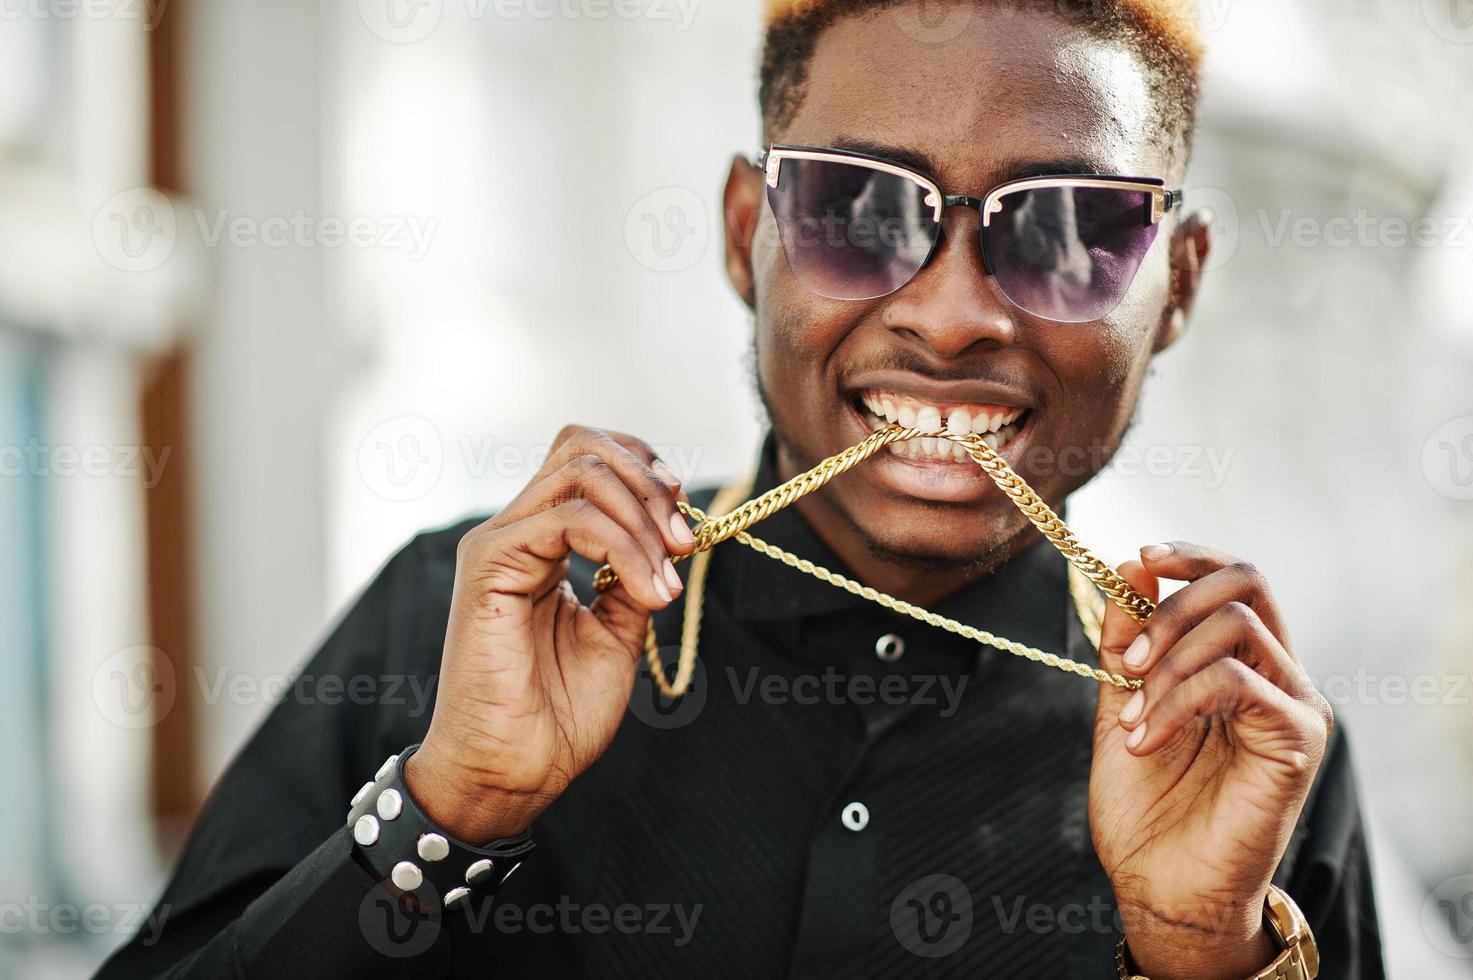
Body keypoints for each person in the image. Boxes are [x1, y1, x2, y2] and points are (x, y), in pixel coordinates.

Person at [100, 0, 1383, 976]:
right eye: (855, 207)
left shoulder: (1245, 747)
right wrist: (448, 809)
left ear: (1181, 286)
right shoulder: (466, 619)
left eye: (1068, 229)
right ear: (741, 234)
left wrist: (1198, 947)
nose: (948, 314)